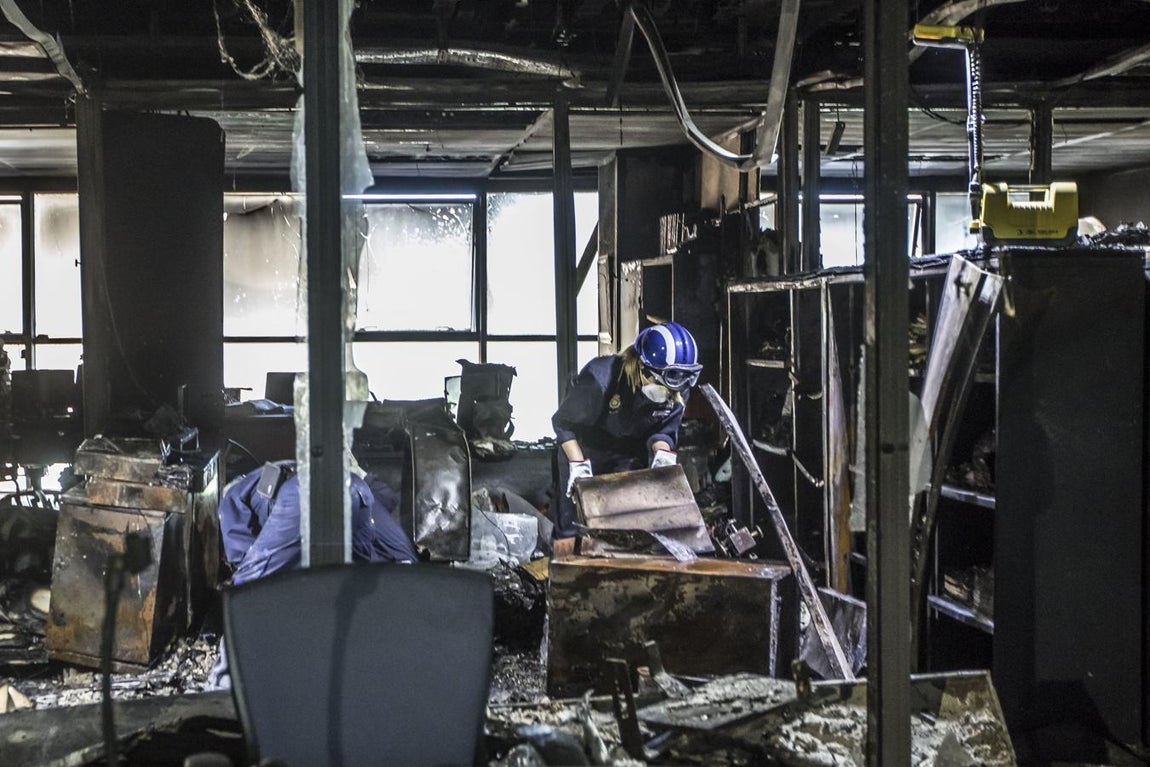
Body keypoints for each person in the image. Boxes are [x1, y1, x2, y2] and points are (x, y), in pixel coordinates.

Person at [550, 321, 703, 557]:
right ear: (642, 367)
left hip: (630, 452)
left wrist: (662, 456)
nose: (669, 392)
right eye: (661, 383)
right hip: (584, 450)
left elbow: (663, 430)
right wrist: (578, 467)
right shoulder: (601, 378)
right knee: (572, 528)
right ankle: (561, 577)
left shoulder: (677, 385)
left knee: (625, 525)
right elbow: (563, 423)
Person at [217, 459, 418, 584]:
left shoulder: (229, 496)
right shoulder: (270, 474)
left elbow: (243, 555)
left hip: (304, 494)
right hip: (357, 488)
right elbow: (389, 498)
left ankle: (228, 651)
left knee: (248, 583)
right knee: (353, 579)